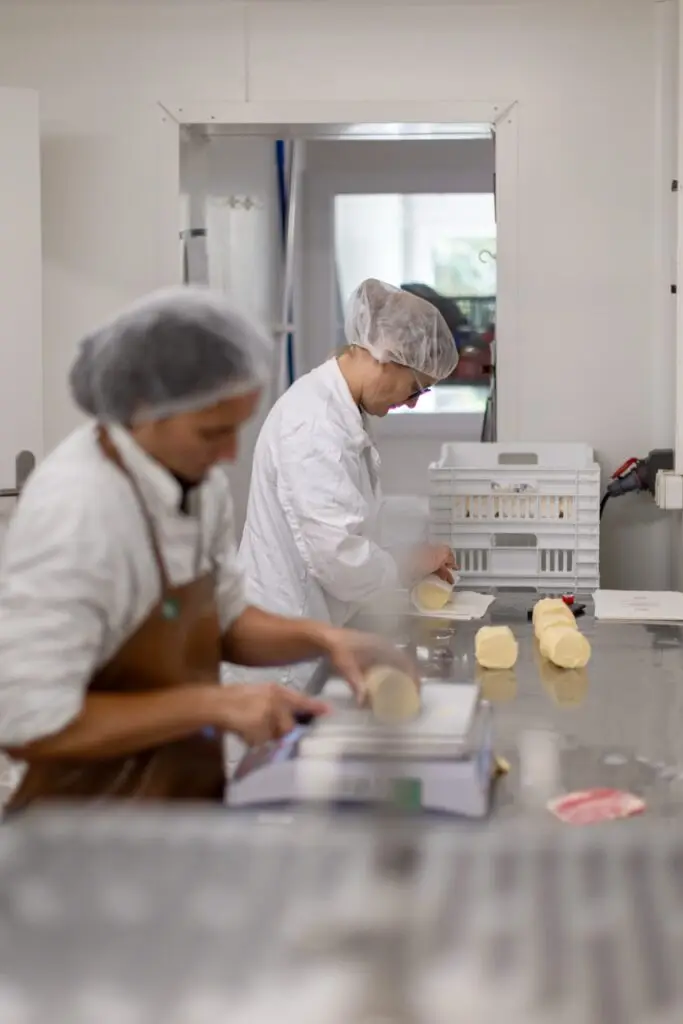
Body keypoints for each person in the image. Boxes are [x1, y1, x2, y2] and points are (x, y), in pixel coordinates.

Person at [0, 287, 416, 809]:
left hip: (174, 797)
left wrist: (327, 639)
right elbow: (29, 725)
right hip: (86, 821)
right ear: (144, 411)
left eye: (236, 429)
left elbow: (225, 620)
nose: (229, 453)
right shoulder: (77, 508)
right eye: (211, 432)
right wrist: (211, 705)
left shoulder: (199, 486)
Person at [240, 278, 458, 632]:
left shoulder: (343, 411)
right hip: (286, 640)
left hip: (311, 627)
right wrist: (409, 562)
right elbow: (338, 558)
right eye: (416, 387)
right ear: (386, 355)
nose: (413, 402)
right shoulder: (313, 425)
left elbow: (351, 520)